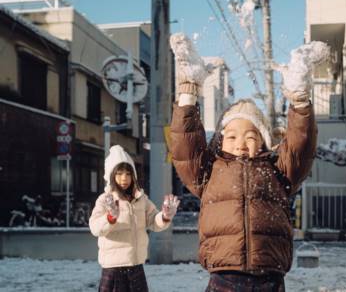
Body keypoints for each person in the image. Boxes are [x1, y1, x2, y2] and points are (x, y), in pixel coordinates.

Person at [169, 33, 326, 291]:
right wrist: (188, 91)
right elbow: (185, 147)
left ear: (263, 142)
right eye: (231, 136)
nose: (241, 142)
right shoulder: (209, 171)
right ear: (220, 141)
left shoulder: (276, 170)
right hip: (224, 273)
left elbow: (301, 146)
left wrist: (299, 100)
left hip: (270, 273)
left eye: (251, 135)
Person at [89, 145, 180, 292]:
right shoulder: (106, 199)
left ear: (134, 176)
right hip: (114, 269)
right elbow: (95, 228)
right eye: (119, 174)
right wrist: (110, 217)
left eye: (128, 174)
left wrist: (164, 216)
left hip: (136, 266)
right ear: (111, 176)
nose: (124, 178)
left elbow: (153, 221)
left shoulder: (141, 199)